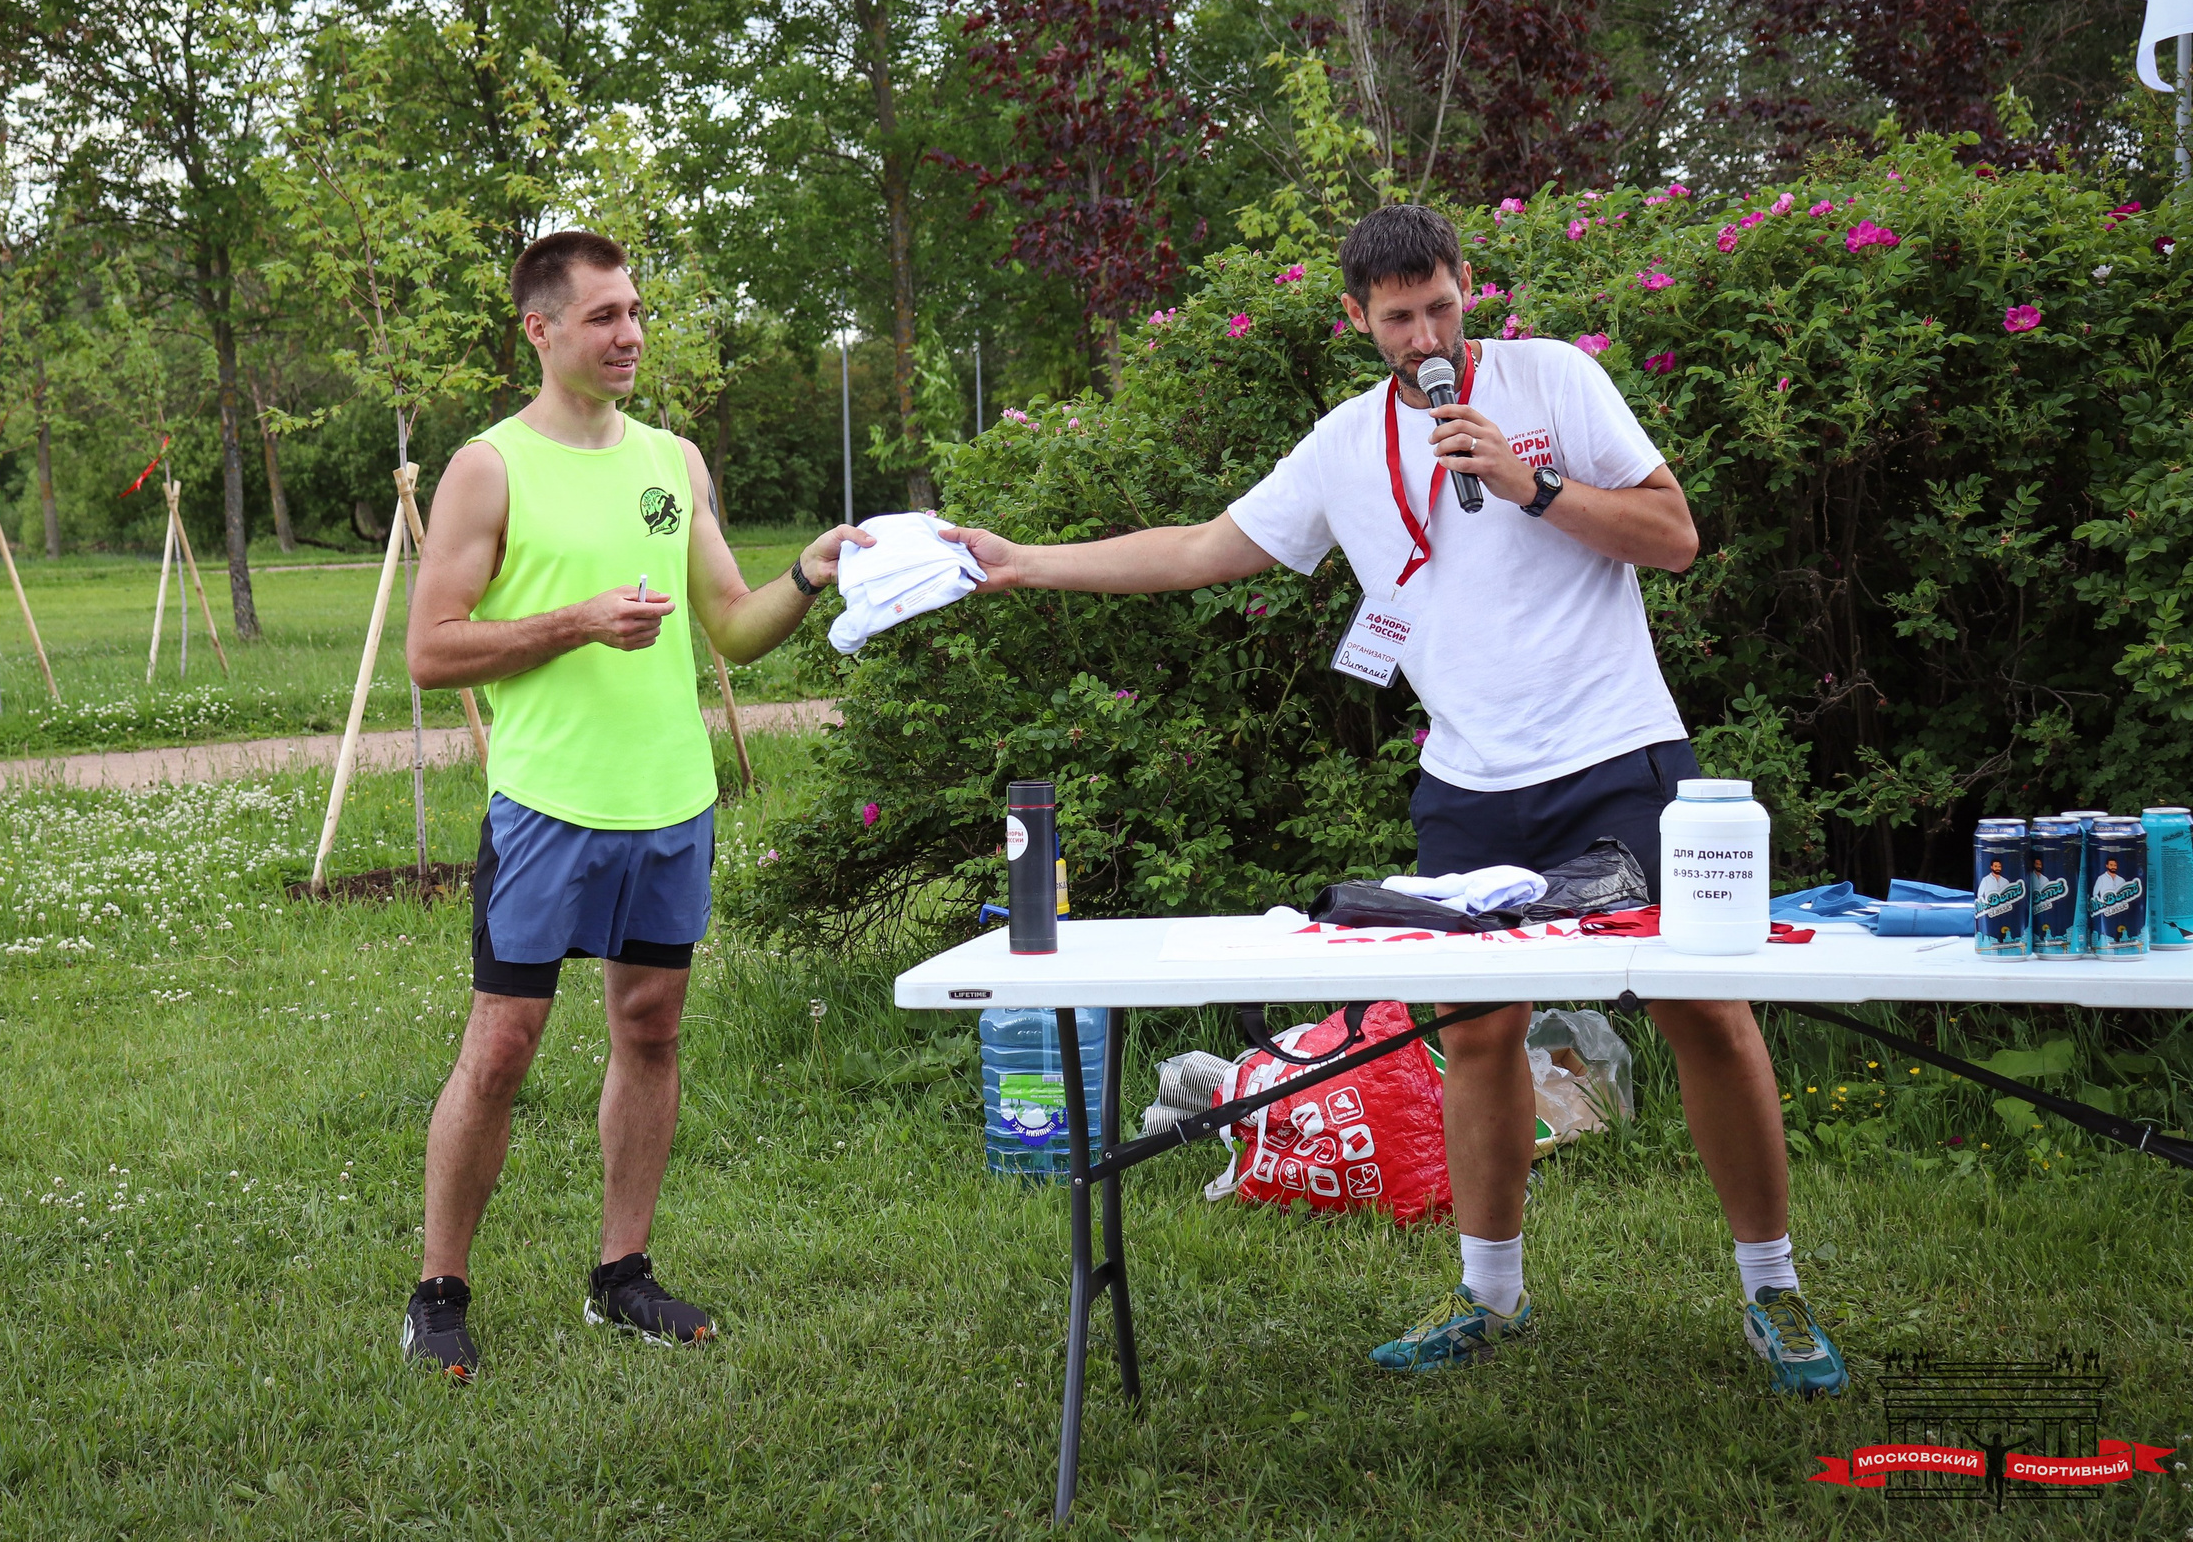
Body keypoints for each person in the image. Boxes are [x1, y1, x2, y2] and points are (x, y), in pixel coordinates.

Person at [940, 204, 1847, 1396]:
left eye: (1440, 305)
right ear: (1358, 321)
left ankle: (1772, 1289)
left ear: (1469, 287)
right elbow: (1206, 547)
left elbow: (1672, 536)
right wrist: (1029, 562)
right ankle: (1491, 1297)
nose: (1425, 333)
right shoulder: (1340, 447)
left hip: (1619, 758)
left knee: (1704, 1015)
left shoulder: (1553, 381)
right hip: (1468, 789)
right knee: (1475, 1033)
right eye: (1397, 316)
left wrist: (1533, 484)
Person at [397, 230, 870, 1377]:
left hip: (669, 802)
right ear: (540, 328)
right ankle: (437, 1293)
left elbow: (735, 631)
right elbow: (429, 651)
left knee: (649, 1028)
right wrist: (572, 622)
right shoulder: (488, 467)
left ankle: (622, 1276)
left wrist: (805, 577)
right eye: (603, 315)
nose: (630, 334)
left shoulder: (675, 459)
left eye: (636, 311)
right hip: (547, 806)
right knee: (503, 1046)